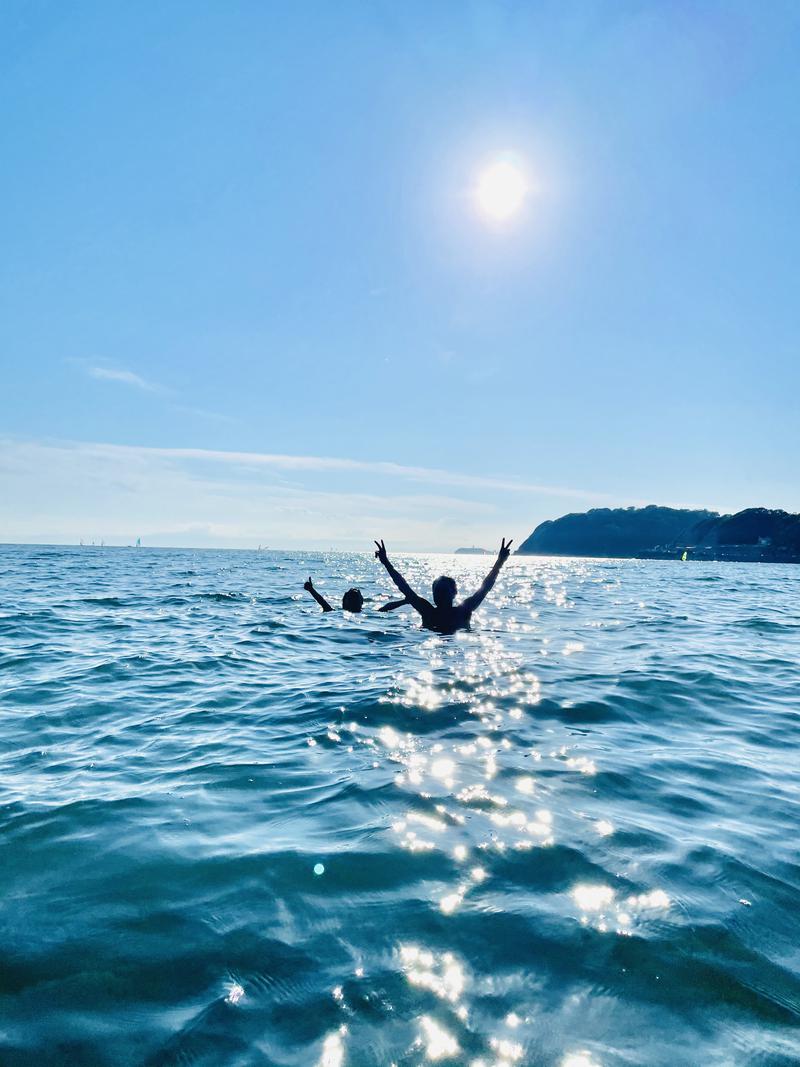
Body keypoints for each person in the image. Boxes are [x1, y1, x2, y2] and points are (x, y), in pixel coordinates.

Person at [373, 538, 513, 634]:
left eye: (442, 591)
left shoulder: (463, 611)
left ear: (454, 592)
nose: (439, 594)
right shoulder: (428, 611)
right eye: (436, 591)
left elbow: (485, 587)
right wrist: (385, 562)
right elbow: (404, 587)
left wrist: (500, 562)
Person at [303, 577, 408, 614]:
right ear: (344, 602)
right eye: (351, 596)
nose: (354, 593)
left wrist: (405, 601)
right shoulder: (334, 612)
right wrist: (311, 590)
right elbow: (323, 602)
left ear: (362, 601)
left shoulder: (334, 613)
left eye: (356, 596)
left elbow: (386, 607)